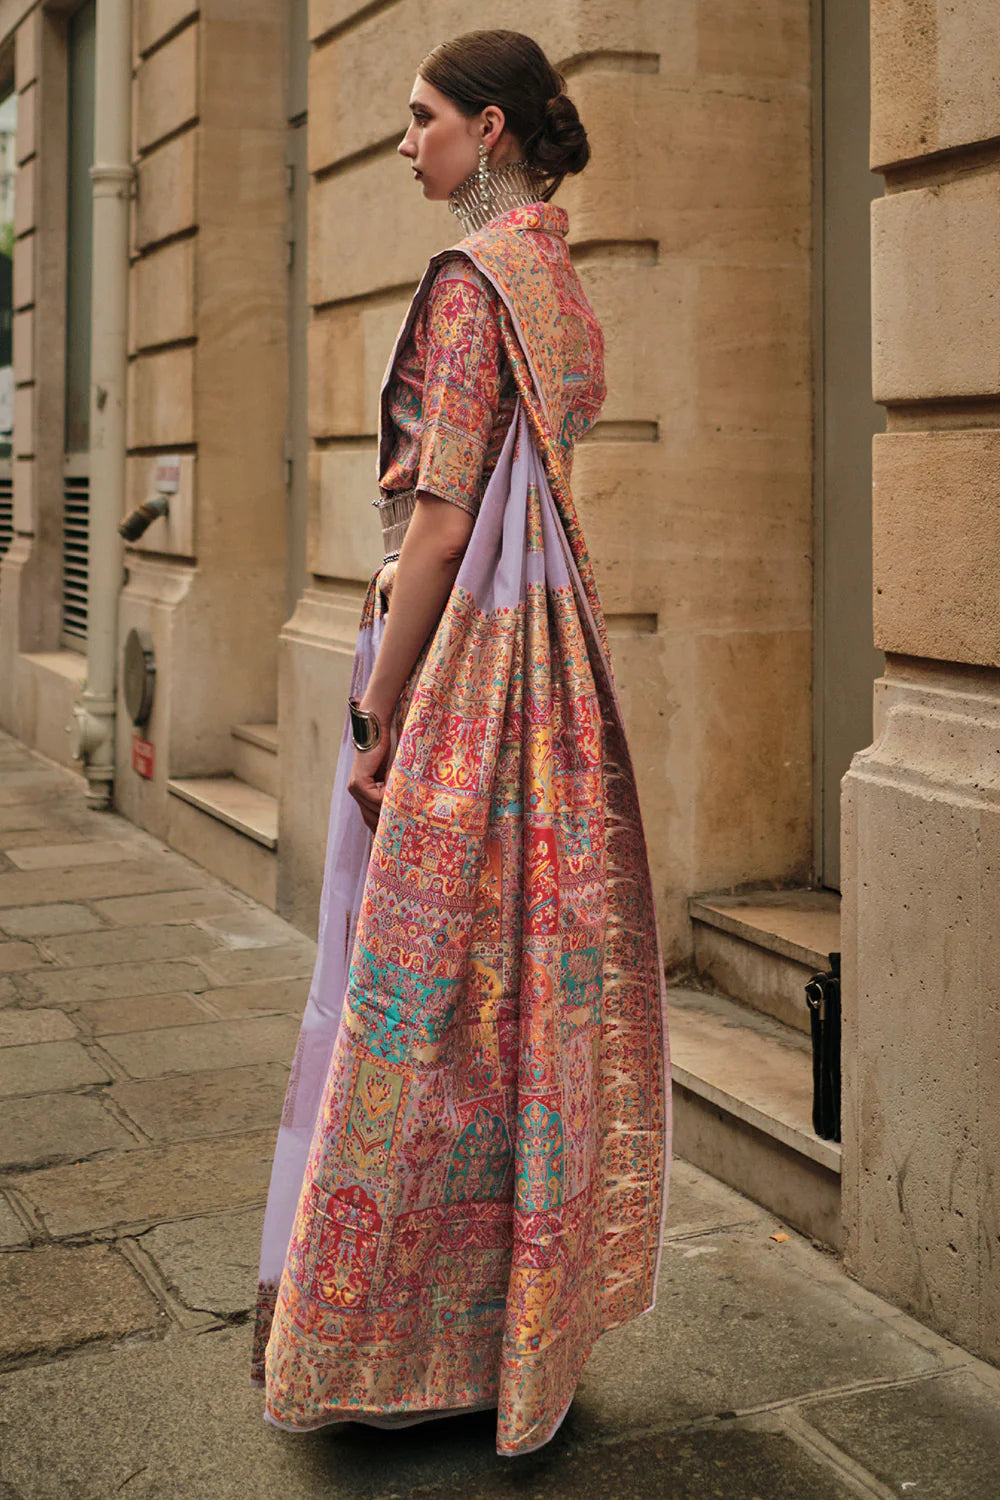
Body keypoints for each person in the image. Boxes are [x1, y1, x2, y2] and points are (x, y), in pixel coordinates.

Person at [252, 29, 670, 1458]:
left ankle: (382, 1346)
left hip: (472, 676)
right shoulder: (557, 282)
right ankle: (517, 1341)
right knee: (519, 1004)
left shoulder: (467, 286)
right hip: (555, 677)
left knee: (415, 1008)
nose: (403, 139)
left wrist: (380, 714)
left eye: (421, 117)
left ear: (488, 129)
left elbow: (439, 520)